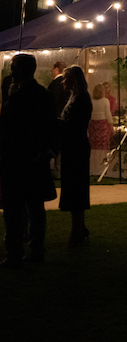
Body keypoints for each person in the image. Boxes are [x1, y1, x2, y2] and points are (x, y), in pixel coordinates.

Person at [0, 53, 57, 268]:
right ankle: (36, 250)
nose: (11, 72)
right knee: (36, 208)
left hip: (18, 160)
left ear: (22, 70)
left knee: (14, 209)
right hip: (36, 159)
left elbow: (10, 129)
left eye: (13, 67)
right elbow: (52, 127)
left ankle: (14, 252)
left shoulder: (18, 96)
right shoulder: (43, 93)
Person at [59, 65, 93, 247]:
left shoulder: (81, 99)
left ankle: (76, 232)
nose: (63, 82)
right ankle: (80, 228)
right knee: (74, 187)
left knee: (76, 188)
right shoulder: (76, 97)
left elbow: (75, 125)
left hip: (76, 147)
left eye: (66, 78)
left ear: (74, 80)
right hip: (72, 146)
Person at [88, 82, 114, 176]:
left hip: (93, 126)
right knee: (102, 147)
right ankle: (102, 169)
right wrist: (112, 127)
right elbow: (108, 115)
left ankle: (93, 168)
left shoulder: (91, 101)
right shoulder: (105, 101)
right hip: (102, 126)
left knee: (94, 148)